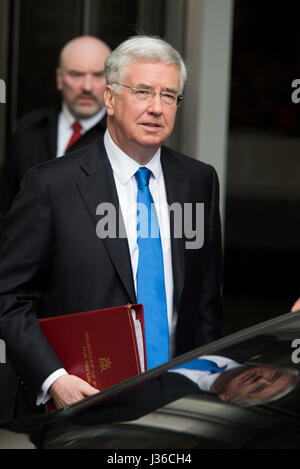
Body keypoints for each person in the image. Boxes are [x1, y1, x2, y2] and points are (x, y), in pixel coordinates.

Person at [0, 35, 223, 416]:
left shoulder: (198, 181)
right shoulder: (52, 185)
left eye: (169, 96)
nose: (156, 108)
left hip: (178, 405)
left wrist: (209, 381)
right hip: (81, 404)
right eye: (142, 92)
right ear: (110, 98)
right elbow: (9, 296)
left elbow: (204, 303)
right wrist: (53, 379)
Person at [0, 35, 111, 244]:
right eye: (76, 74)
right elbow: (6, 201)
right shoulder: (30, 128)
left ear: (112, 81)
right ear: (60, 78)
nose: (87, 86)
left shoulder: (121, 139)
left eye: (98, 75)